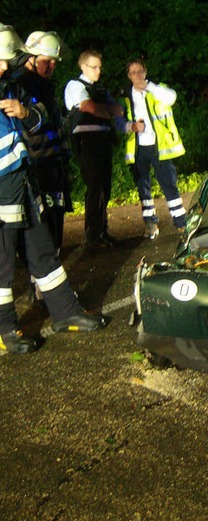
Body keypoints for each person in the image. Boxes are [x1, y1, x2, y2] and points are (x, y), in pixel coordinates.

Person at [0, 24, 105, 355]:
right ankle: (5, 330)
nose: (6, 66)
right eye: (1, 60)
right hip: (3, 186)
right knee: (1, 261)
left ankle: (65, 313)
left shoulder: (8, 86)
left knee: (43, 247)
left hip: (22, 181)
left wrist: (26, 112)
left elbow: (33, 122)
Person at [15, 31, 71, 251]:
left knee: (55, 219)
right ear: (31, 58)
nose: (51, 67)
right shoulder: (22, 87)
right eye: (46, 61)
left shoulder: (45, 87)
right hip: (35, 166)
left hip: (52, 165)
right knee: (42, 227)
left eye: (54, 63)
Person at [64, 50, 123, 250]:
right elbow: (90, 108)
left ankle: (101, 231)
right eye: (94, 67)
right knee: (95, 188)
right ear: (83, 67)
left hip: (103, 141)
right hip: (87, 143)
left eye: (100, 66)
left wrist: (105, 110)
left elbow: (118, 110)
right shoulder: (75, 86)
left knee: (104, 188)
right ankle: (92, 237)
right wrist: (105, 111)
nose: (99, 70)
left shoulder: (98, 89)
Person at [121, 58, 186, 240]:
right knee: (143, 188)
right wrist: (131, 126)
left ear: (145, 72)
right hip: (139, 148)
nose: (137, 75)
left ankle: (181, 223)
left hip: (160, 147)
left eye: (140, 71)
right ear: (128, 76)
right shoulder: (125, 96)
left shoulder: (157, 90)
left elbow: (171, 98)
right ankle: (150, 223)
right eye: (133, 73)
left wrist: (149, 86)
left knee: (169, 184)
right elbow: (118, 122)